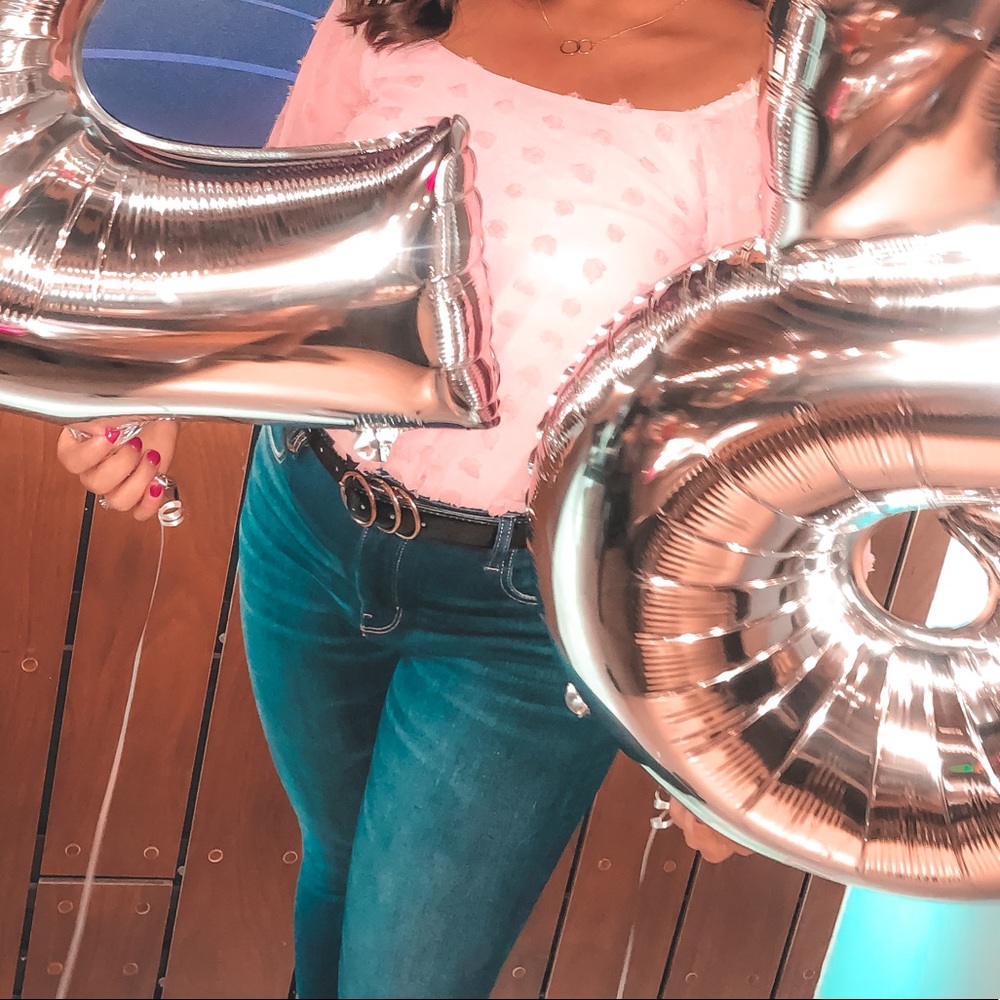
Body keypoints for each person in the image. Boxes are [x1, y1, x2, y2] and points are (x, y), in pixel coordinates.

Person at [56, 1, 766, 996]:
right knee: (340, 857)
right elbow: (266, 235)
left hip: (531, 621)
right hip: (306, 519)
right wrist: (152, 388)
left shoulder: (758, 92)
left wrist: (724, 714)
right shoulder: (391, 7)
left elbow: (767, 426)